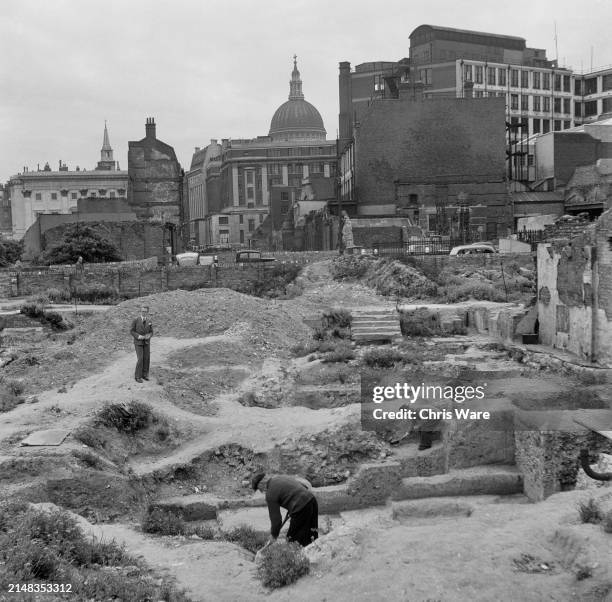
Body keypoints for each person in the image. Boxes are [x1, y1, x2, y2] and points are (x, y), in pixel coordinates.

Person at [251, 473, 318, 547]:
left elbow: (276, 520)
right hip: (312, 501)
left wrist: (274, 535)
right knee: (312, 534)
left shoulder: (270, 493)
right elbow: (303, 487)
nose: (260, 491)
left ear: (261, 484)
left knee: (292, 540)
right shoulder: (279, 477)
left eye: (259, 489)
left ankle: (295, 557)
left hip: (301, 508)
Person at [130, 305, 153, 383]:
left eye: (145, 311)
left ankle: (145, 374)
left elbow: (151, 331)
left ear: (147, 312)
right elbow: (132, 331)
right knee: (140, 359)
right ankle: (138, 376)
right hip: (138, 342)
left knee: (146, 358)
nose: (144, 313)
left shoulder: (149, 321)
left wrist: (148, 336)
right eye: (142, 311)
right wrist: (138, 336)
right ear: (140, 311)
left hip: (146, 342)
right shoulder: (136, 320)